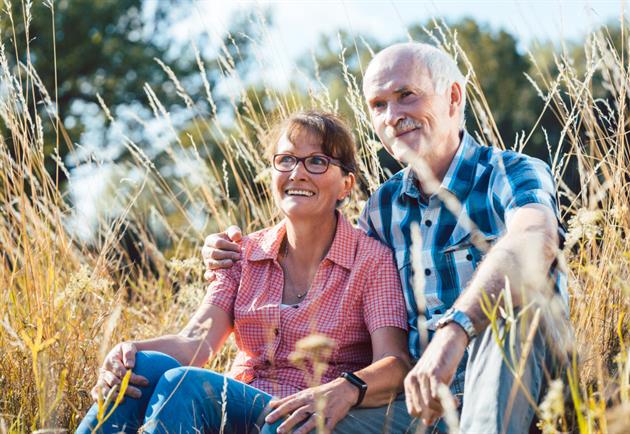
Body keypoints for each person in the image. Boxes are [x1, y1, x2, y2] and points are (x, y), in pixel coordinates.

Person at [202, 42, 569, 433]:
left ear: (453, 97)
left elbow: (535, 237)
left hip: (516, 392)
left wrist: (455, 330)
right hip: (413, 408)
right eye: (378, 105)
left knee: (514, 311)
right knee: (300, 427)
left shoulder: (509, 173)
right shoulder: (383, 207)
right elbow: (342, 278)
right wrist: (236, 251)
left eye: (406, 96)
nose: (393, 116)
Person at [77, 111, 411, 434]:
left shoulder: (371, 262)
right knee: (145, 367)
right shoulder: (243, 254)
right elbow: (195, 343)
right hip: (238, 405)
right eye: (286, 160)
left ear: (345, 185)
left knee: (185, 384)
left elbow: (394, 363)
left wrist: (345, 388)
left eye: (317, 161)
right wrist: (126, 352)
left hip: (305, 415)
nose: (298, 173)